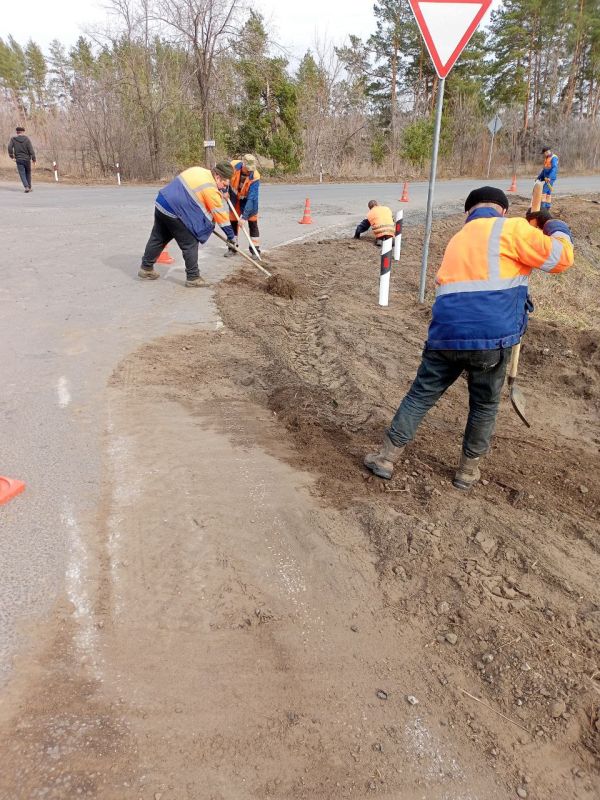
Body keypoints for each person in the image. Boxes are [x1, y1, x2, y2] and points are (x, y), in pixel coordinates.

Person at [364, 186, 574, 489]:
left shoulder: (458, 239)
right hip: (492, 340)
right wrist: (552, 224)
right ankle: (466, 472)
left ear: (468, 212)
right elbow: (562, 258)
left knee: (420, 396)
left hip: (445, 336)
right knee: (484, 405)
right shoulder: (513, 229)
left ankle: (385, 458)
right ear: (503, 210)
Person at [138, 162, 236, 287]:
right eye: (224, 184)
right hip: (175, 210)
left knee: (159, 237)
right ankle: (193, 278)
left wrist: (222, 190)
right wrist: (231, 236)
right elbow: (220, 215)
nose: (224, 187)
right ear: (217, 177)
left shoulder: (198, 170)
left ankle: (146, 268)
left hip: (162, 202)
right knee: (190, 242)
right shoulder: (210, 188)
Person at [224, 153, 261, 258]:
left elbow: (251, 198)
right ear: (243, 164)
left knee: (253, 223)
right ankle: (232, 248)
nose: (249, 171)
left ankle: (255, 250)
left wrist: (244, 217)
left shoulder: (255, 176)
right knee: (233, 223)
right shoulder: (233, 166)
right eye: (248, 168)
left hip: (249, 202)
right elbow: (224, 178)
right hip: (234, 199)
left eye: (251, 169)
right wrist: (225, 191)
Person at [8, 126, 36, 193]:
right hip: (27, 159)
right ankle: (29, 187)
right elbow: (31, 150)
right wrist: (34, 159)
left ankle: (26, 187)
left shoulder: (13, 139)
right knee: (28, 173)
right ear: (23, 132)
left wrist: (12, 156)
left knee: (22, 174)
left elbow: (9, 147)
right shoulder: (27, 139)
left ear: (17, 132)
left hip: (19, 159)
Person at [537, 146, 559, 210]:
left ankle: (542, 207)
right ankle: (547, 206)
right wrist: (539, 177)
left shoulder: (554, 158)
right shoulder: (547, 158)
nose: (544, 155)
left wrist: (549, 177)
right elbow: (545, 169)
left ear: (547, 152)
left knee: (544, 191)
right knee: (548, 192)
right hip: (546, 177)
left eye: (544, 153)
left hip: (550, 178)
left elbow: (554, 168)